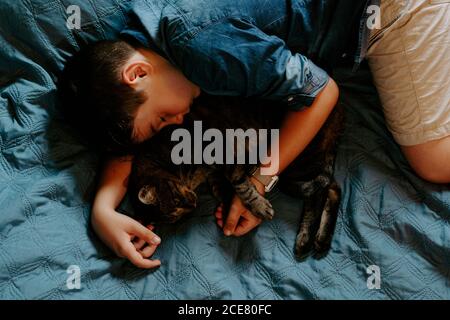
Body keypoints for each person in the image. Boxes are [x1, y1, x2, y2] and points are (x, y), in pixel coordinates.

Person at [57, 0, 449, 269]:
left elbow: (322, 91)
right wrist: (103, 211)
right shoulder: (135, 33)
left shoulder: (203, 53)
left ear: (137, 74)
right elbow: (128, 138)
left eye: (161, 120)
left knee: (433, 160)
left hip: (383, 11)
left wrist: (261, 180)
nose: (174, 126)